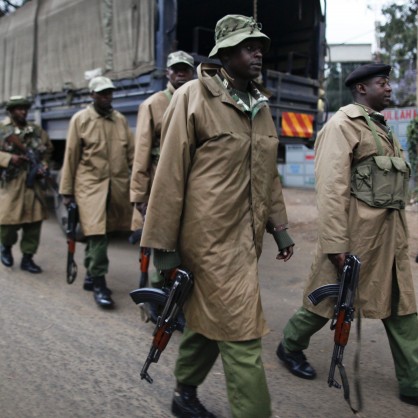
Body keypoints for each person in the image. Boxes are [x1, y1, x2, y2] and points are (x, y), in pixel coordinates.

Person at [140, 14, 294, 418]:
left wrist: (279, 229)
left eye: (260, 45)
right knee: (241, 333)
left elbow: (267, 174)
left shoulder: (259, 105)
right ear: (225, 54)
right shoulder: (193, 96)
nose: (258, 52)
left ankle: (183, 394)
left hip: (246, 242)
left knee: (209, 320)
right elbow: (169, 177)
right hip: (205, 243)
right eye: (248, 46)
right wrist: (164, 250)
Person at [276, 63, 418, 407]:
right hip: (356, 238)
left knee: (402, 305)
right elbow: (331, 189)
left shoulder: (381, 129)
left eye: (387, 82)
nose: (388, 88)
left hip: (389, 239)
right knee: (327, 299)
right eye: (381, 83)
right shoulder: (341, 126)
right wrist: (336, 245)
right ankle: (290, 346)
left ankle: (413, 382)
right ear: (360, 89)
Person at [130, 50, 194, 324]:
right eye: (175, 68)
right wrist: (140, 197)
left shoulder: (197, 99)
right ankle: (158, 302)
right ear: (167, 72)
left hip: (190, 184)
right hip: (160, 184)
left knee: (184, 245)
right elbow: (142, 152)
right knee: (162, 243)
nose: (180, 72)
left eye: (185, 68)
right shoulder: (153, 103)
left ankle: (174, 300)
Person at [59, 76, 134, 309]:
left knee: (106, 232)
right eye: (101, 93)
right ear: (92, 95)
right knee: (98, 234)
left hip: (116, 187)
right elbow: (71, 156)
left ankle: (91, 274)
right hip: (89, 187)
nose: (106, 97)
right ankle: (100, 284)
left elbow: (132, 156)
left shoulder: (120, 120)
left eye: (109, 93)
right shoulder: (80, 120)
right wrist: (67, 191)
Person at [0, 96, 53, 273]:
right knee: (7, 222)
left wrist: (43, 166)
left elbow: (47, 150)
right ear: (11, 111)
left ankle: (27, 258)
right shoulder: (2, 129)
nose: (23, 111)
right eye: (18, 108)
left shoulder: (36, 130)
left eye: (25, 108)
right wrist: (9, 158)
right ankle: (6, 247)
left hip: (33, 184)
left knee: (34, 222)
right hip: (11, 183)